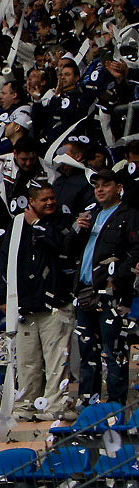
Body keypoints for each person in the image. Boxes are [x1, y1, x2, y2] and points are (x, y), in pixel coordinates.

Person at [0, 183, 77, 421]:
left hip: (56, 304)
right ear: (31, 202)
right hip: (25, 305)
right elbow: (5, 259)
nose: (50, 203)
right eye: (44, 200)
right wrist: (3, 296)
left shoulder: (63, 221)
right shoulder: (18, 223)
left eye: (52, 198)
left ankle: (54, 406)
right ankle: (26, 405)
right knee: (27, 361)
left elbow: (62, 245)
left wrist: (38, 224)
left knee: (56, 359)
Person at [72, 169, 139, 405]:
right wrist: (77, 230)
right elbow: (71, 248)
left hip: (111, 294)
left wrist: (117, 280)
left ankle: (115, 407)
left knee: (114, 351)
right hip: (84, 291)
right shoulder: (90, 215)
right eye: (96, 186)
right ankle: (87, 406)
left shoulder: (129, 215)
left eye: (105, 185)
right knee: (87, 351)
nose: (99, 190)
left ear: (118, 187)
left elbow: (136, 251)